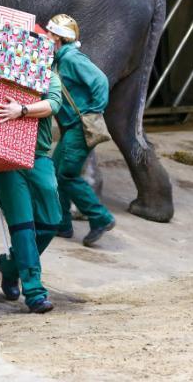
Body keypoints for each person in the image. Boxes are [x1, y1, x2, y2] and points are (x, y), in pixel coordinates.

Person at [0, 40, 63, 314]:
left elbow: (53, 104)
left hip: (38, 157)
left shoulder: (49, 76)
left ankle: (10, 266)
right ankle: (34, 293)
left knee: (51, 222)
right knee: (22, 226)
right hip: (5, 158)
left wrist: (21, 110)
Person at [46, 14, 115, 247]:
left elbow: (100, 81)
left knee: (66, 175)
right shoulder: (59, 60)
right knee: (56, 172)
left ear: (59, 38)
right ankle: (62, 224)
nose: (47, 36)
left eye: (50, 33)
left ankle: (101, 217)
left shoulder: (71, 58)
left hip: (79, 126)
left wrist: (93, 111)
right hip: (71, 128)